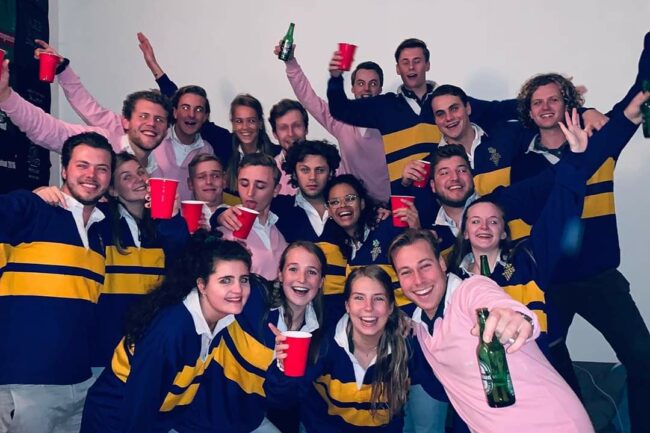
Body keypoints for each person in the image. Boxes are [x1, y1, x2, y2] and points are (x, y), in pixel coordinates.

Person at [510, 46, 650, 430]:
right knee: (547, 365)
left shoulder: (600, 144)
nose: (545, 107)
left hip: (600, 278)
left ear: (568, 104)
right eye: (537, 102)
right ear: (529, 112)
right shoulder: (521, 164)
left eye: (553, 99)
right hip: (549, 284)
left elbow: (636, 99)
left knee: (643, 359)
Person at [388, 229, 594, 433]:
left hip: (554, 425)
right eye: (406, 272)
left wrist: (514, 318)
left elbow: (494, 302)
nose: (418, 280)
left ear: (441, 264)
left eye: (425, 266)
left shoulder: (469, 291)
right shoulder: (420, 327)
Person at [80, 233, 254, 433]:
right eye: (225, 280)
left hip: (156, 420)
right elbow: (139, 405)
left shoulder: (222, 319)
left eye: (244, 279)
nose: (238, 289)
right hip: (115, 422)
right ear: (202, 285)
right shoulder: (172, 329)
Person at [0, 132, 115, 433]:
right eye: (82, 165)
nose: (92, 175)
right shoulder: (34, 208)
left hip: (79, 380)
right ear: (64, 170)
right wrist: (31, 197)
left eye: (102, 168)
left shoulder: (100, 231)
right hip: (25, 382)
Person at [36, 152, 190, 368]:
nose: (139, 179)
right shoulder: (99, 220)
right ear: (113, 190)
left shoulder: (166, 225)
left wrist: (172, 218)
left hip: (151, 345)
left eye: (141, 172)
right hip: (103, 347)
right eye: (127, 177)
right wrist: (40, 195)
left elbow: (183, 263)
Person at [327, 38, 520, 194]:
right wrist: (336, 79)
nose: (411, 67)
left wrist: (533, 102)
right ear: (398, 68)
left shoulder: (447, 103)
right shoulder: (383, 106)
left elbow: (498, 110)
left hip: (444, 194)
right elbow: (340, 110)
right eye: (405, 62)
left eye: (417, 61)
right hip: (404, 197)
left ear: (427, 65)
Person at [265, 265, 419, 433]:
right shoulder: (323, 344)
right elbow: (281, 400)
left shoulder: (407, 346)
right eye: (359, 298)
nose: (368, 307)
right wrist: (284, 367)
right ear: (347, 306)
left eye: (379, 298)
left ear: (390, 307)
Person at [0, 56, 171, 171]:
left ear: (166, 128)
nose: (151, 123)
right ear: (125, 121)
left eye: (159, 119)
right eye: (143, 116)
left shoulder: (159, 169)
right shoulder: (100, 143)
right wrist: (6, 96)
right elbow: (49, 129)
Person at [275, 43, 390, 202]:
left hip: (388, 206)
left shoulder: (393, 121)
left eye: (373, 83)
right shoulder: (341, 121)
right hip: (353, 205)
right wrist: (290, 62)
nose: (366, 89)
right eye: (360, 83)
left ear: (380, 89)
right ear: (352, 88)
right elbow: (309, 99)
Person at [318, 174, 420, 326]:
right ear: (329, 211)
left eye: (350, 198)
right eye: (335, 202)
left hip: (408, 322)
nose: (343, 205)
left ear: (362, 203)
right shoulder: (333, 244)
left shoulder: (387, 228)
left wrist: (416, 231)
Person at [264, 241, 327, 433]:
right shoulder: (257, 308)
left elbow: (289, 401)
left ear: (321, 282)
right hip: (234, 414)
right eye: (293, 269)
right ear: (280, 274)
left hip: (280, 417)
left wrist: (283, 368)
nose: (302, 279)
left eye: (312, 272)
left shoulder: (322, 329)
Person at [217, 153, 288, 281]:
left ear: (276, 190)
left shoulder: (281, 226)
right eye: (244, 184)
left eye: (260, 186)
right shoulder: (226, 231)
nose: (250, 193)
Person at [268, 99, 309, 195]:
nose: (291, 134)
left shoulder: (327, 165)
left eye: (297, 126)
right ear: (275, 134)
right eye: (283, 128)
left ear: (306, 129)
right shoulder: (268, 171)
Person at [187, 153, 226, 220]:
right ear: (190, 183)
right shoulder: (180, 220)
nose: (209, 182)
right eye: (201, 177)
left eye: (215, 176)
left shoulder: (238, 218)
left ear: (224, 181)